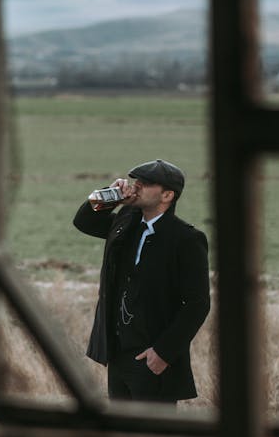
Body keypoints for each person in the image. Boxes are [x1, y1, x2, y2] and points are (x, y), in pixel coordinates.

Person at [73, 158, 210, 404]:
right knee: (122, 434)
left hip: (153, 358)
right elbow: (83, 221)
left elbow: (197, 303)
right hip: (117, 354)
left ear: (167, 195)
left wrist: (163, 353)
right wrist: (109, 195)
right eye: (136, 180)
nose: (136, 186)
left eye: (146, 183)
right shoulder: (125, 223)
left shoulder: (186, 239)